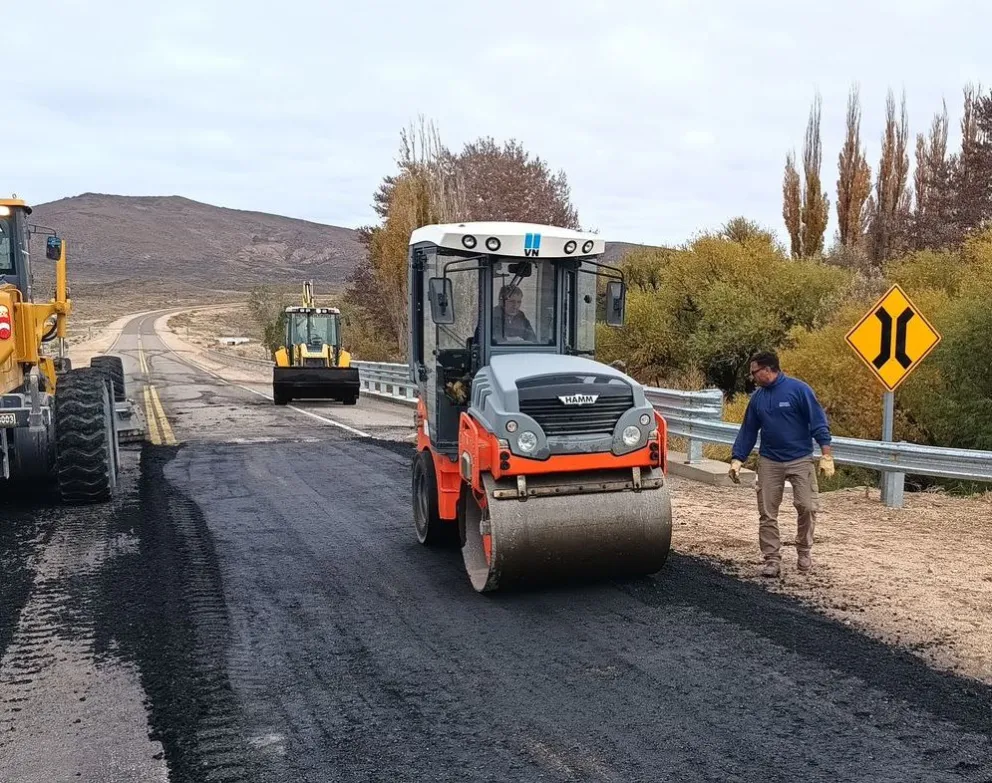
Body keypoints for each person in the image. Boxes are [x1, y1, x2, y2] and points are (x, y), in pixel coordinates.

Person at [729, 350, 835, 577]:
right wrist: (737, 458)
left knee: (807, 506)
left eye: (754, 372)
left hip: (800, 459)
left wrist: (826, 454)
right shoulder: (758, 398)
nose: (752, 377)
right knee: (767, 511)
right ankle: (771, 559)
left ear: (767, 370)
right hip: (770, 461)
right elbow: (748, 430)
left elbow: (818, 422)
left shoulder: (799, 390)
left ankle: (804, 550)